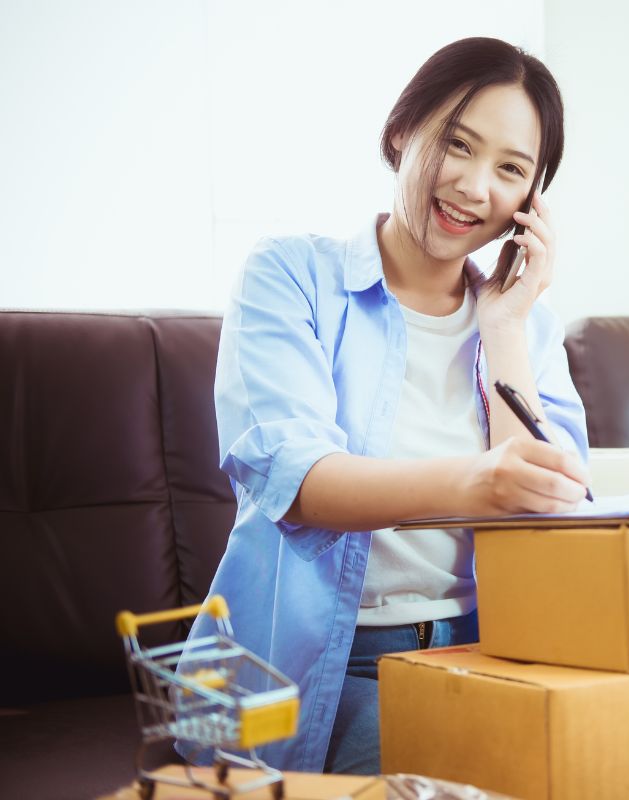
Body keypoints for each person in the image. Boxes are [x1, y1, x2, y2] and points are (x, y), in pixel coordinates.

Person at [185, 37, 590, 776]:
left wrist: (502, 331)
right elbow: (298, 483)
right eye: (457, 144)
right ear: (403, 131)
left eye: (510, 169)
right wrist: (473, 484)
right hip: (331, 664)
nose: (473, 186)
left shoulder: (525, 322)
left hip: (490, 648)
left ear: (532, 201)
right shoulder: (290, 275)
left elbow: (552, 508)